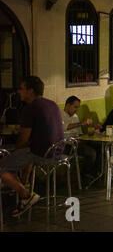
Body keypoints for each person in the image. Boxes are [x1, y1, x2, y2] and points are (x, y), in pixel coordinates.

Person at [0, 76, 64, 216]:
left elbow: (23, 139)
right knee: (25, 153)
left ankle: (26, 195)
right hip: (58, 152)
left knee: (2, 166)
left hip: (43, 155)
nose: (18, 92)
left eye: (22, 88)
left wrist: (14, 153)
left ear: (30, 91)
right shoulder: (52, 104)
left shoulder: (30, 108)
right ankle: (25, 183)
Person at [61, 96, 98, 181]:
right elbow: (65, 127)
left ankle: (96, 172)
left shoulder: (75, 116)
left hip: (77, 142)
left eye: (78, 107)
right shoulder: (60, 115)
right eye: (75, 107)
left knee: (98, 146)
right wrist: (81, 123)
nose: (76, 110)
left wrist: (92, 131)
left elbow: (80, 133)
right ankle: (85, 175)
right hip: (66, 145)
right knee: (91, 153)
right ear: (67, 105)